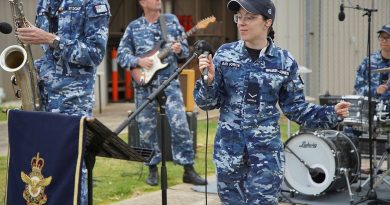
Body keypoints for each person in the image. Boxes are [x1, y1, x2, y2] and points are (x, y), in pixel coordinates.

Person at [194, 0, 350, 204]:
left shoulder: (284, 61)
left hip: (265, 156)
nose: (242, 23)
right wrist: (209, 81)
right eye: (239, 17)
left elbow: (296, 108)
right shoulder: (225, 54)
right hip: (229, 153)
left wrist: (331, 113)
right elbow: (207, 104)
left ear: (267, 22)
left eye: (249, 17)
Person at [16, 0, 111, 203]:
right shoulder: (44, 2)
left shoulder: (95, 3)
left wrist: (51, 39)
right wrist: (33, 73)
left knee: (73, 167)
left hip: (73, 101)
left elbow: (94, 54)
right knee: (46, 165)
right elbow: (48, 55)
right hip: (43, 97)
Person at [117, 0, 206, 186]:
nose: (158, 0)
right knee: (146, 129)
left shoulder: (171, 21)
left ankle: (188, 169)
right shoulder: (133, 28)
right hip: (144, 85)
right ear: (142, 2)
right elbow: (122, 56)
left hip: (169, 83)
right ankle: (152, 169)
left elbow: (184, 54)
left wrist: (179, 48)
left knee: (180, 123)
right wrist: (138, 61)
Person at [344, 24, 390, 146]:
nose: (384, 41)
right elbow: (358, 87)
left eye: (387, 38)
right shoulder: (369, 61)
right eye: (382, 37)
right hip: (371, 109)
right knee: (349, 130)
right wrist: (375, 90)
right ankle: (352, 162)